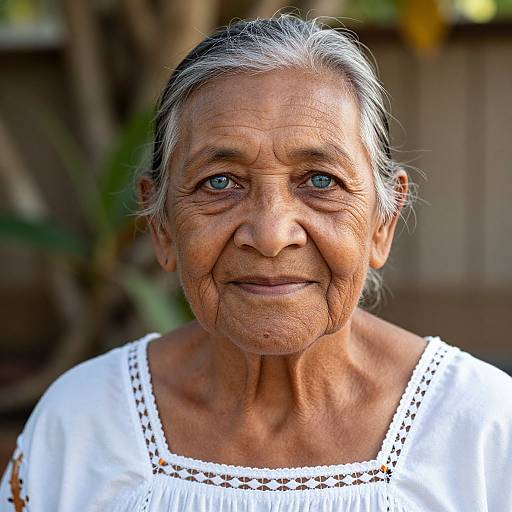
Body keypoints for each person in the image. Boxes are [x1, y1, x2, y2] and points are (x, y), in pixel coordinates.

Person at [1, 14, 511, 512]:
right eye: (219, 182)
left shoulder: (483, 430)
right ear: (162, 227)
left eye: (320, 181)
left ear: (383, 221)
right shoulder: (84, 423)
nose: (270, 235)